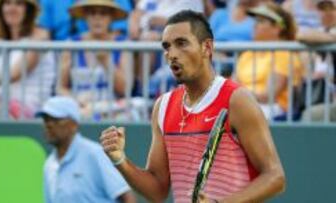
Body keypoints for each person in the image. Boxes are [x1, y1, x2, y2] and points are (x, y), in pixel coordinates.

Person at [100, 10, 285, 202]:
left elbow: (275, 177)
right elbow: (157, 191)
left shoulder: (236, 100)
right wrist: (119, 159)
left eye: (181, 44)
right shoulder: (163, 106)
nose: (172, 54)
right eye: (167, 47)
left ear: (207, 47)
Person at [36, 96, 136, 203]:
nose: (49, 125)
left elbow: (126, 196)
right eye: (46, 120)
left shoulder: (94, 153)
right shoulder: (49, 165)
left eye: (56, 119)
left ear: (74, 125)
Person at [0, 0, 55, 119]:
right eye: (7, 3)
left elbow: (14, 74)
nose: (12, 9)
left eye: (19, 4)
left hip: (31, 109)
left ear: (29, 10)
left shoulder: (40, 37)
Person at [236, 2, 304, 120]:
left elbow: (269, 96)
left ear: (277, 28)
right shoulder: (247, 54)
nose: (254, 25)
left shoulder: (285, 53)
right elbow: (233, 84)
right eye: (255, 21)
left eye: (261, 21)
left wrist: (238, 94)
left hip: (275, 109)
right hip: (244, 104)